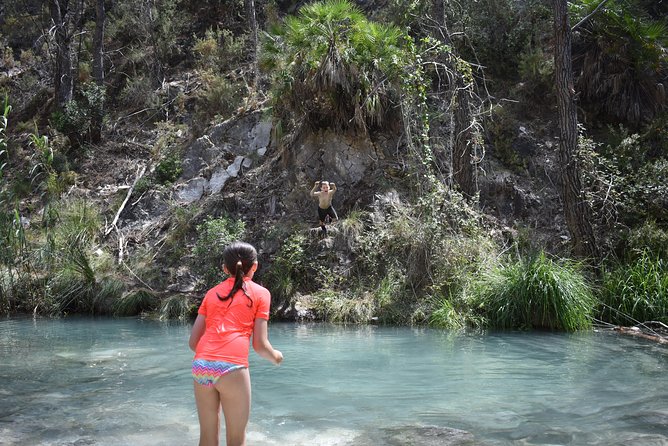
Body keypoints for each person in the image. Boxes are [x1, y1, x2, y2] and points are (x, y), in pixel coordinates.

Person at [189, 241, 283, 446]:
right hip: (232, 367)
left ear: (224, 268)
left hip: (201, 365)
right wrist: (276, 356)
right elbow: (259, 344)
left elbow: (193, 342)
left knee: (207, 437)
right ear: (255, 266)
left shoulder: (212, 293)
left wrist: (212, 359)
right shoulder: (260, 293)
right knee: (236, 439)